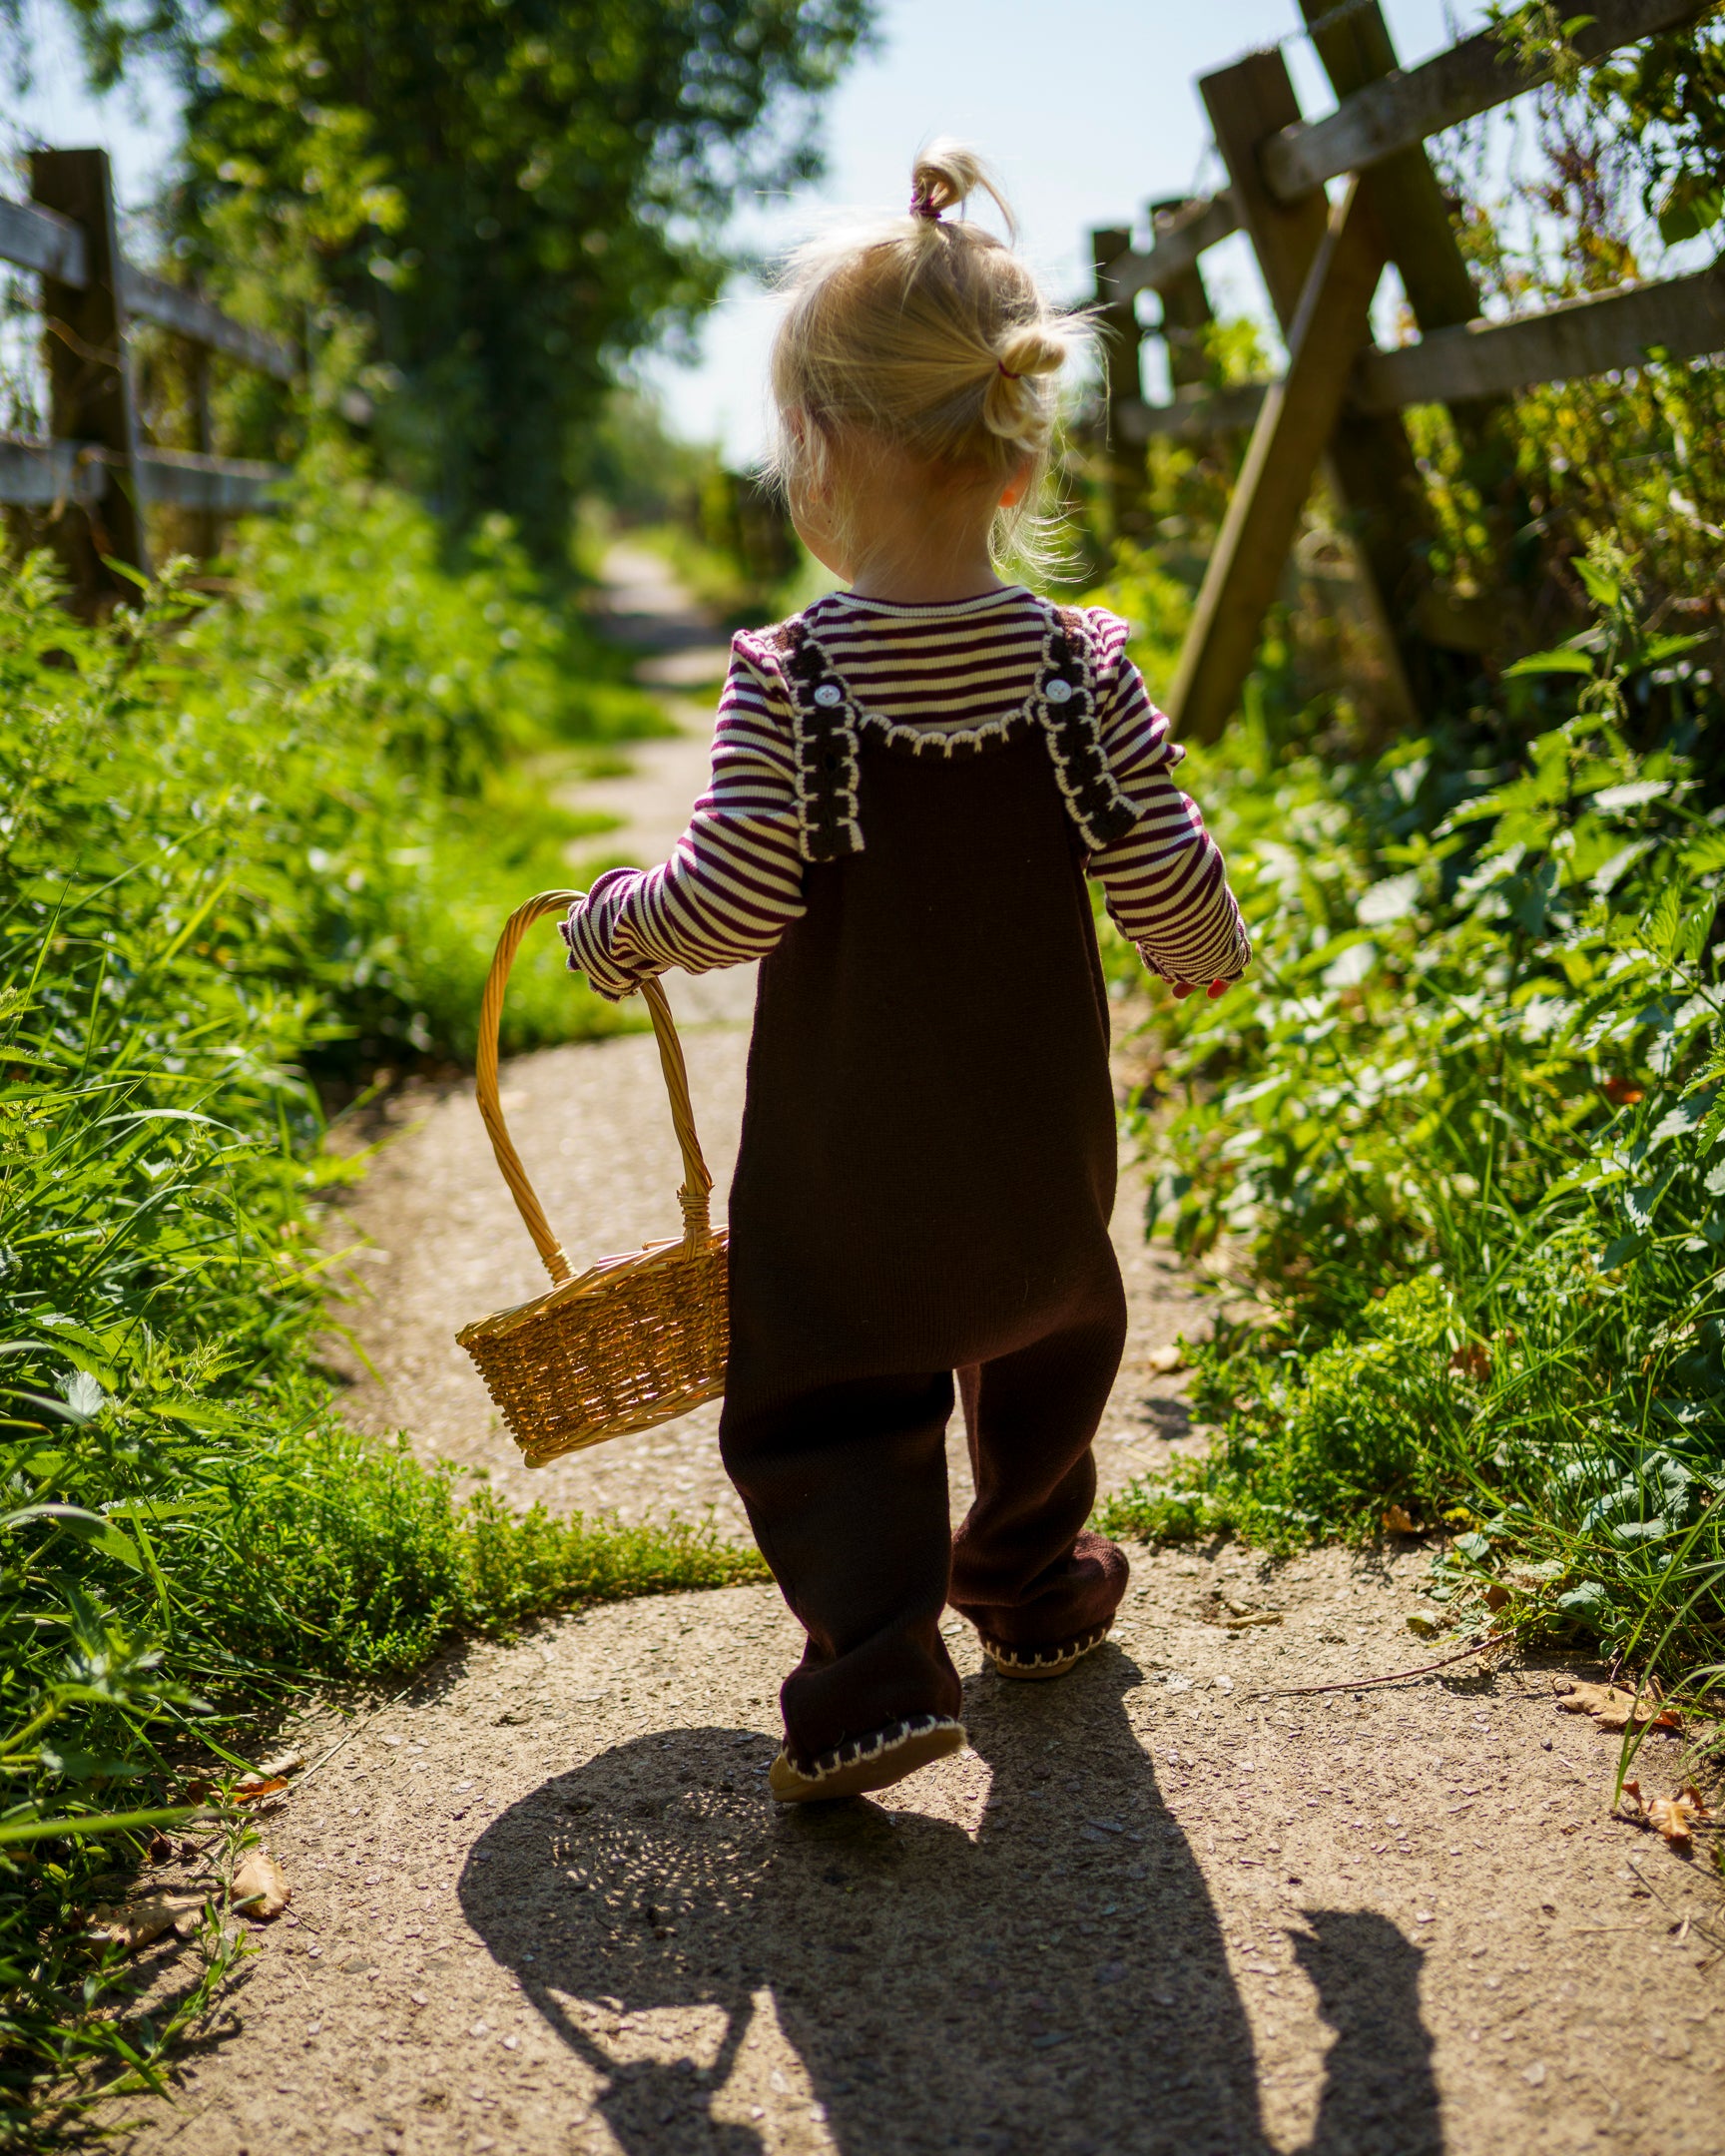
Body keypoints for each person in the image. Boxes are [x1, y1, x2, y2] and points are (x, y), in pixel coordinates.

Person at [562, 143, 1249, 1806]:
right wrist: (1204, 964)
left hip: (844, 1164)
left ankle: (873, 1669)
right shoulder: (1082, 670)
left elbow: (728, 898)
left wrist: (615, 925)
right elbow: (1166, 866)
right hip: (1036, 1147)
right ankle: (1027, 1582)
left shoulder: (789, 680)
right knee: (1049, 1340)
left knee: (830, 1393)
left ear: (810, 449)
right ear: (1019, 456)